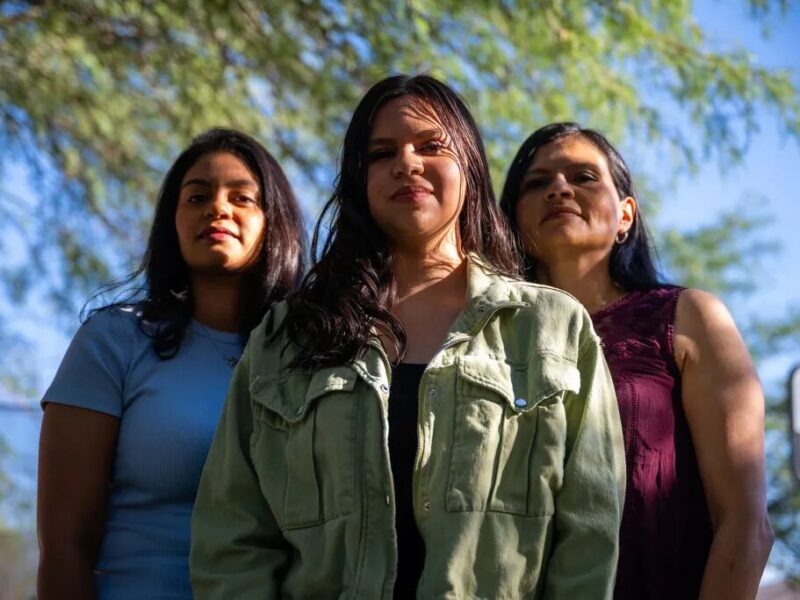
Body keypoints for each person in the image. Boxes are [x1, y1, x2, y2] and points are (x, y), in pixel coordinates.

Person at [190, 76, 625, 599]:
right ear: (359, 179)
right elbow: (230, 539)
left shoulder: (554, 326)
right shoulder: (288, 335)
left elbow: (589, 535)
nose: (407, 163)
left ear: (468, 164)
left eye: (430, 145)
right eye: (381, 153)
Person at [499, 122, 774, 600]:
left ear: (626, 214)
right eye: (536, 183)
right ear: (513, 220)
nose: (559, 188)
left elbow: (745, 524)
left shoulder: (688, 317)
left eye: (583, 177)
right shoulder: (486, 343)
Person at [37, 128, 305, 599]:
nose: (217, 208)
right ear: (173, 222)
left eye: (241, 198)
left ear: (274, 222)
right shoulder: (113, 341)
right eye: (197, 196)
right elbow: (65, 546)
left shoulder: (309, 358)